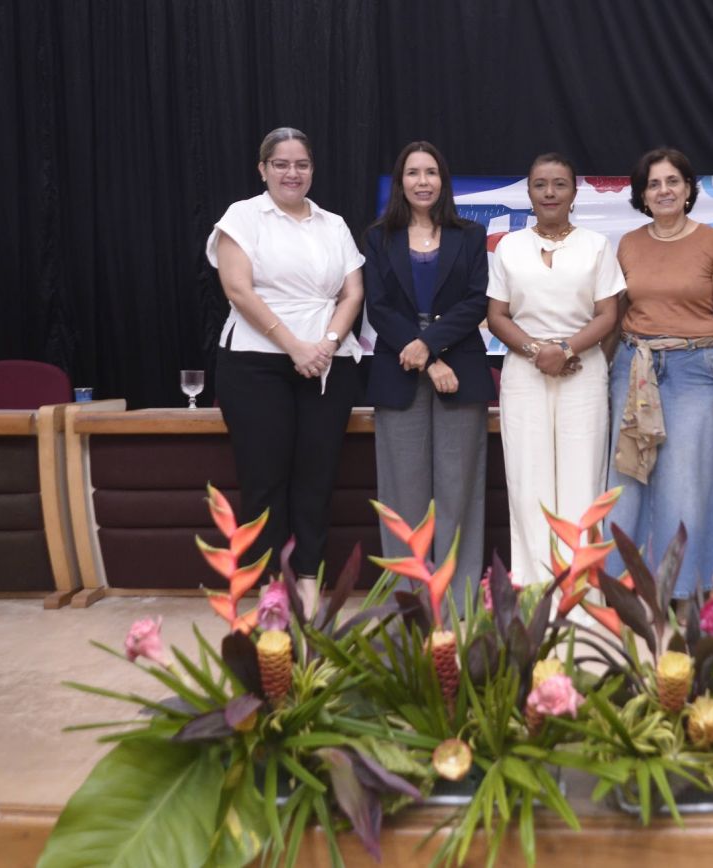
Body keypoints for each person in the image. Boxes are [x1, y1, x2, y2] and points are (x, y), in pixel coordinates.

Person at [207, 127, 365, 582]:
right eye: (281, 164)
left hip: (327, 363)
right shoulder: (243, 216)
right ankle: (271, 589)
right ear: (263, 169)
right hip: (256, 364)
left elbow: (353, 293)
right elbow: (238, 289)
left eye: (301, 164)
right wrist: (295, 346)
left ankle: (309, 584)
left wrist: (327, 344)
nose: (291, 173)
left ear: (312, 169)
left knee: (317, 482)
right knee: (264, 481)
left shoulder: (333, 223)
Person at [605, 147, 713, 601]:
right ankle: (624, 587)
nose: (663, 191)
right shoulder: (628, 244)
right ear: (642, 195)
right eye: (654, 184)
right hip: (633, 366)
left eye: (672, 182)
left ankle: (682, 593)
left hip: (694, 371)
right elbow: (616, 314)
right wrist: (602, 370)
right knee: (627, 479)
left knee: (684, 481)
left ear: (688, 190)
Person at [364, 142, 494, 605]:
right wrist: (427, 357)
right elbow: (378, 306)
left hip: (461, 370)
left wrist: (431, 344)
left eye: (431, 172)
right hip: (399, 370)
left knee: (460, 492)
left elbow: (476, 301)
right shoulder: (378, 237)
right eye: (413, 173)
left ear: (444, 181)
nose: (423, 181)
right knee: (403, 498)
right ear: (401, 182)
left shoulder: (470, 235)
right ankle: (409, 603)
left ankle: (459, 605)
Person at [486, 153, 623, 584]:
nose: (550, 192)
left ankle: (581, 592)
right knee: (528, 481)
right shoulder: (509, 246)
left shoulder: (596, 245)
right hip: (525, 373)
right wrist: (537, 351)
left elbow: (608, 314)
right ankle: (534, 590)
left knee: (582, 480)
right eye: (540, 184)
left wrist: (564, 349)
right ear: (528, 192)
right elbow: (496, 316)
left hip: (583, 370)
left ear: (574, 191)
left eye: (559, 184)